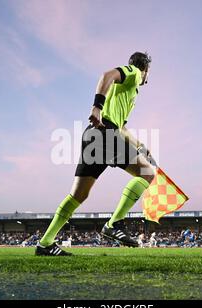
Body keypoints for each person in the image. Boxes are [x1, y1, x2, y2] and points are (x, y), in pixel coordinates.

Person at [36, 52, 155, 256]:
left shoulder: (127, 94)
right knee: (147, 173)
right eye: (148, 73)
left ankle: (45, 243)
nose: (147, 78)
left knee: (78, 195)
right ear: (144, 70)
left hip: (95, 136)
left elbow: (122, 128)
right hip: (104, 132)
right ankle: (114, 224)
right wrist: (96, 108)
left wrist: (142, 147)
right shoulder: (134, 73)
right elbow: (107, 75)